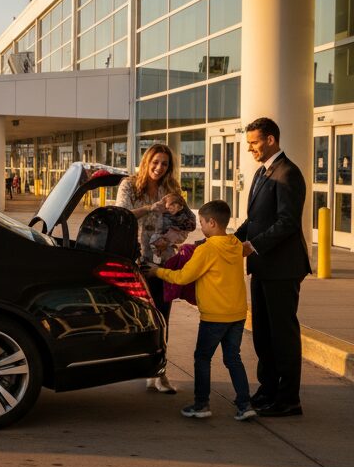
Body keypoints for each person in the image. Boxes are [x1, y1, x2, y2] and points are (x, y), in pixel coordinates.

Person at [234, 117, 312, 417]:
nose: (250, 148)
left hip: (282, 268)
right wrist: (230, 242)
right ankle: (267, 390)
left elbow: (287, 222)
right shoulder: (262, 173)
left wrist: (252, 246)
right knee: (263, 335)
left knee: (283, 335)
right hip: (262, 267)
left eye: (254, 143)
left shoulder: (288, 173)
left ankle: (288, 399)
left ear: (270, 140)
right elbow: (255, 222)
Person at [153, 200, 255, 421]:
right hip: (237, 314)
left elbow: (183, 277)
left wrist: (158, 272)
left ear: (211, 222)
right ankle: (245, 404)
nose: (201, 226)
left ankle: (201, 404)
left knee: (202, 358)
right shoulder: (236, 244)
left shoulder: (206, 249)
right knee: (233, 358)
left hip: (214, 316)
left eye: (202, 222)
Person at [115, 142, 183, 393]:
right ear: (146, 162)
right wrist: (149, 208)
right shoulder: (130, 185)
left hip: (163, 263)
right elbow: (121, 216)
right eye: (155, 162)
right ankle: (141, 367)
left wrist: (171, 239)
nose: (159, 167)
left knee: (162, 318)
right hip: (136, 261)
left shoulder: (172, 189)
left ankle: (159, 373)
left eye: (164, 163)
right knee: (140, 319)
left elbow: (183, 223)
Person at [149, 192, 197, 264]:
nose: (171, 210)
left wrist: (179, 222)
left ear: (180, 207)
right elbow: (159, 226)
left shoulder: (185, 214)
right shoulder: (164, 212)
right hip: (166, 233)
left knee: (166, 239)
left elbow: (191, 227)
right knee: (154, 239)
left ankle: (170, 246)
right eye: (168, 208)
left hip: (179, 233)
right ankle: (158, 253)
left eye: (175, 207)